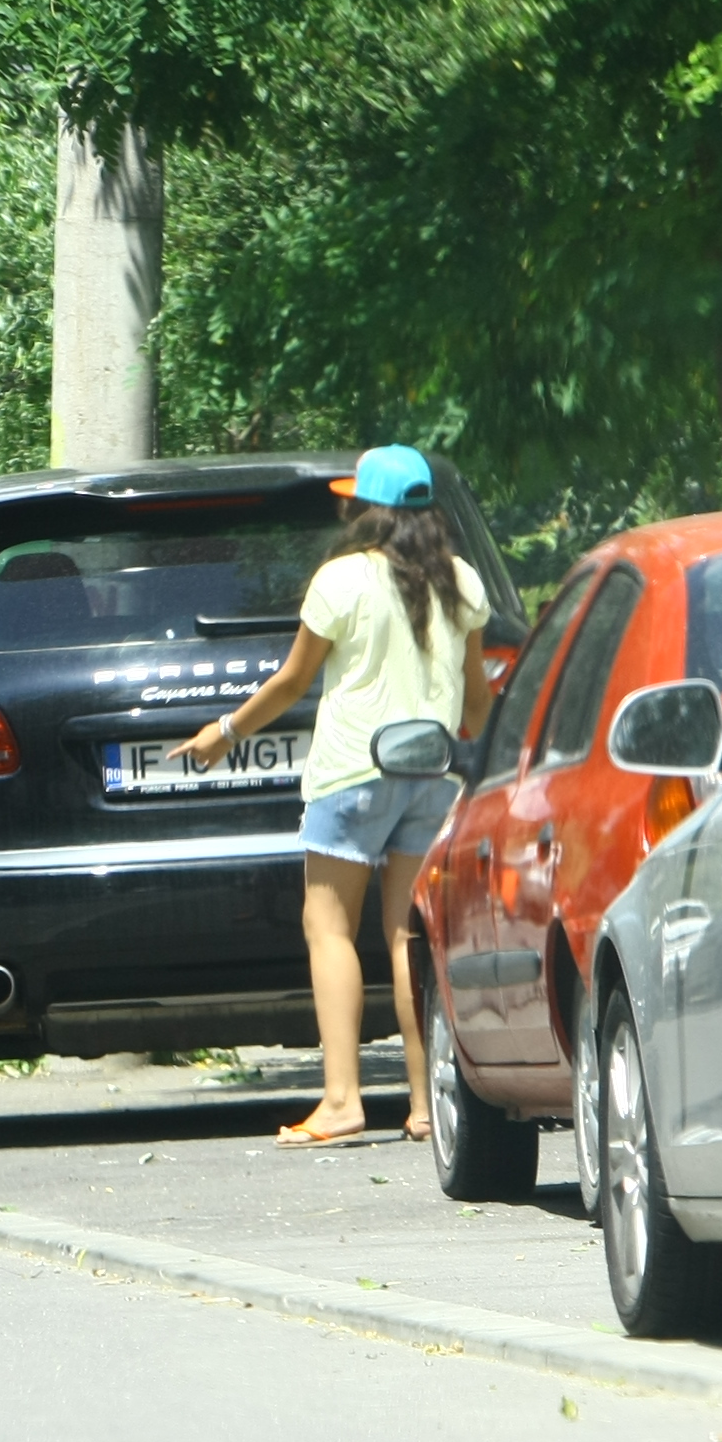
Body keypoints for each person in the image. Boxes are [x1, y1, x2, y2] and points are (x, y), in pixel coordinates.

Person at [177, 446, 489, 1149]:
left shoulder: (341, 580)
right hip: (434, 776)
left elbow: (292, 682)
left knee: (329, 930)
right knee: (411, 939)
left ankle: (343, 1100)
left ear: (364, 508)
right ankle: (425, 1105)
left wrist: (223, 732)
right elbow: (476, 698)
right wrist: (501, 758)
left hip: (352, 775)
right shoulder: (462, 582)